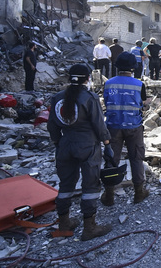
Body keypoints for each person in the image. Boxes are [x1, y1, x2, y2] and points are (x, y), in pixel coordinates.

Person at [47, 64, 112, 241]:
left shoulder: (57, 98)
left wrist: (58, 143)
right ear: (87, 79)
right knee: (90, 186)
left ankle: (64, 223)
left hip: (65, 145)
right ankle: (89, 227)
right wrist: (107, 143)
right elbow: (99, 124)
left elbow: (52, 125)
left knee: (65, 185)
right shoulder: (90, 98)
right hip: (87, 146)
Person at [101, 52, 149, 205]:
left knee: (111, 158)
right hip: (134, 126)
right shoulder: (139, 84)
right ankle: (139, 192)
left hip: (113, 126)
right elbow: (143, 102)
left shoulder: (108, 83)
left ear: (117, 67)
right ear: (133, 68)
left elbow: (106, 101)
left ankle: (109, 195)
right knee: (136, 158)